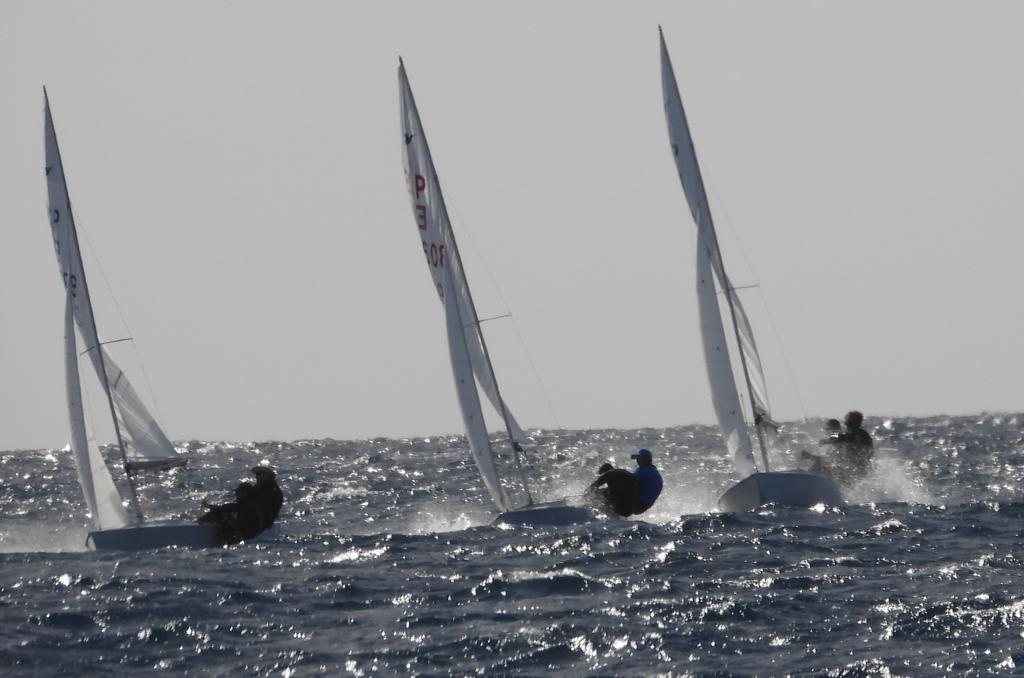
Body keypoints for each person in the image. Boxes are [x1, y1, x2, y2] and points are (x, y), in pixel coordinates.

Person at [198, 466, 283, 542]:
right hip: (261, 524)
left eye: (259, 475)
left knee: (223, 516)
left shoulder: (266, 493)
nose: (256, 477)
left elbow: (236, 507)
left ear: (266, 477)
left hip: (255, 527)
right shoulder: (266, 490)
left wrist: (213, 508)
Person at [819, 410, 873, 483]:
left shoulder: (858, 433)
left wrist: (826, 441)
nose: (845, 424)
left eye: (848, 421)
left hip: (856, 469)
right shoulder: (860, 433)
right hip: (857, 468)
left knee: (826, 469)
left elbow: (841, 437)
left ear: (853, 423)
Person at [630, 448, 663, 514]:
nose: (637, 460)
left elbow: (628, 480)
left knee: (608, 468)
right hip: (643, 506)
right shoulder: (652, 470)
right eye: (637, 458)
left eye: (639, 458)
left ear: (646, 459)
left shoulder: (645, 470)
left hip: (637, 504)